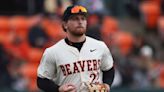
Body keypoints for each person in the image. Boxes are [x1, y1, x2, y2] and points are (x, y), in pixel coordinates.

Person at [37, 5, 114, 92]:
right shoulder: (52, 52)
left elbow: (109, 70)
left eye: (83, 19)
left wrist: (107, 85)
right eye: (75, 19)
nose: (80, 22)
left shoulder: (100, 46)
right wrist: (58, 89)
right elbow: (41, 81)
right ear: (65, 25)